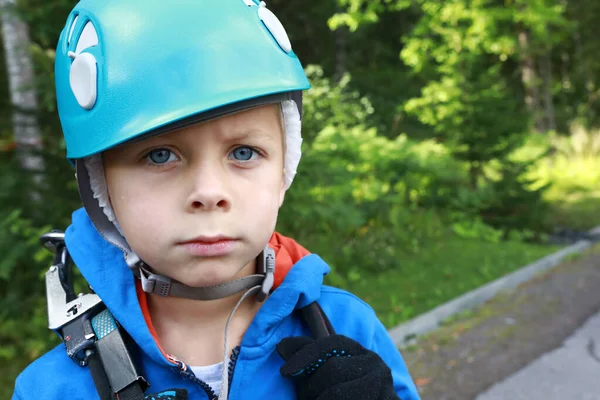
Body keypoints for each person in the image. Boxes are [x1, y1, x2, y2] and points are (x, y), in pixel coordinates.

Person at [12, 1, 420, 399]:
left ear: (284, 172)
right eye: (160, 155)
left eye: (244, 153)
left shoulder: (346, 332)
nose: (209, 192)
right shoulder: (53, 388)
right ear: (102, 193)